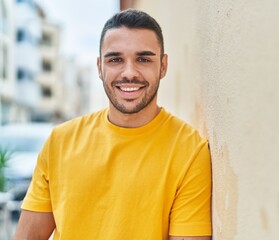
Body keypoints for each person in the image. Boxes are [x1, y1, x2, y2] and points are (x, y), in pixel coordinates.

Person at [13, 9, 212, 240]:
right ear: (100, 67)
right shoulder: (60, 141)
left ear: (163, 65)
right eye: (115, 59)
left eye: (143, 59)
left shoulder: (189, 151)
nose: (129, 73)